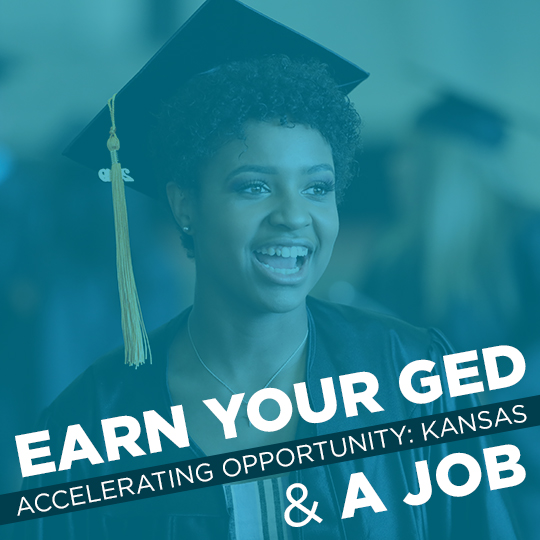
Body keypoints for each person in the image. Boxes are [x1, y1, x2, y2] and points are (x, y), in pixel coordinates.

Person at [17, 1, 519, 539]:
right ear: (186, 205)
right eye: (254, 185)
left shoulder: (410, 378)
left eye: (317, 187)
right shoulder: (93, 421)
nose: (293, 216)